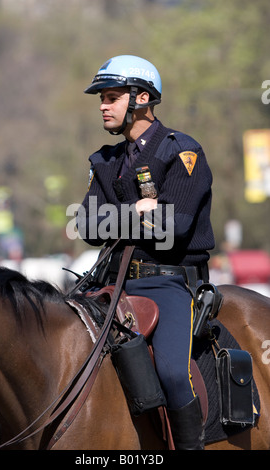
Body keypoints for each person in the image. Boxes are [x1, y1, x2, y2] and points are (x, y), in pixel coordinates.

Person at [77, 55, 215, 450]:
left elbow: (176, 227)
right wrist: (135, 211)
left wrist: (111, 218)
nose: (103, 105)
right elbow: (85, 226)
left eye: (111, 97)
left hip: (169, 284)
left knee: (173, 373)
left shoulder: (182, 151)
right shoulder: (105, 160)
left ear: (141, 98)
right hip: (110, 283)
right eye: (102, 98)